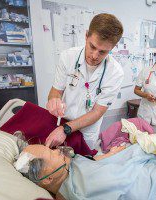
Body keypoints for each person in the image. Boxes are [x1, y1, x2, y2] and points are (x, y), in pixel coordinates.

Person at [45, 13, 124, 149]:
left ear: (113, 47)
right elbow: (55, 91)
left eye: (102, 52)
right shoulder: (67, 57)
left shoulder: (115, 72)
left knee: (83, 163)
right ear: (86, 35)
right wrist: (53, 100)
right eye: (92, 46)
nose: (94, 56)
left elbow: (97, 112)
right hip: (62, 121)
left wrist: (66, 129)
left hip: (87, 130)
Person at [17, 144, 156, 200]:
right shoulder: (77, 192)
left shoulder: (67, 169)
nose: (56, 151)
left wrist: (113, 154)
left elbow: (90, 163)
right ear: (47, 179)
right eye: (51, 153)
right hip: (136, 179)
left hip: (116, 165)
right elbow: (119, 180)